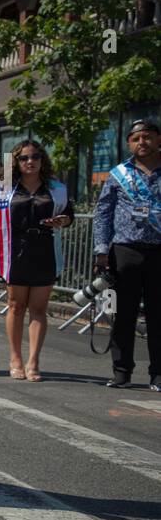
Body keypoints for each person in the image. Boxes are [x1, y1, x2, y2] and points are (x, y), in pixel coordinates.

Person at [0, 141, 72, 382]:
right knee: (15, 306)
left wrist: (63, 221)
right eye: (23, 158)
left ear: (42, 160)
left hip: (45, 251)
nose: (29, 161)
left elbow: (69, 215)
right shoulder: (4, 189)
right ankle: (15, 359)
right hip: (15, 253)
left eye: (35, 157)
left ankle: (33, 361)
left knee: (39, 309)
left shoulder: (56, 189)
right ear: (16, 162)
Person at [95, 119, 161, 391]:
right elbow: (103, 213)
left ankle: (158, 373)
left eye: (147, 137)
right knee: (122, 314)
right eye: (136, 138)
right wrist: (101, 251)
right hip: (125, 251)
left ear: (158, 139)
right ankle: (121, 371)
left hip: (159, 252)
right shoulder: (118, 174)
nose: (141, 142)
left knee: (159, 315)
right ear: (129, 143)